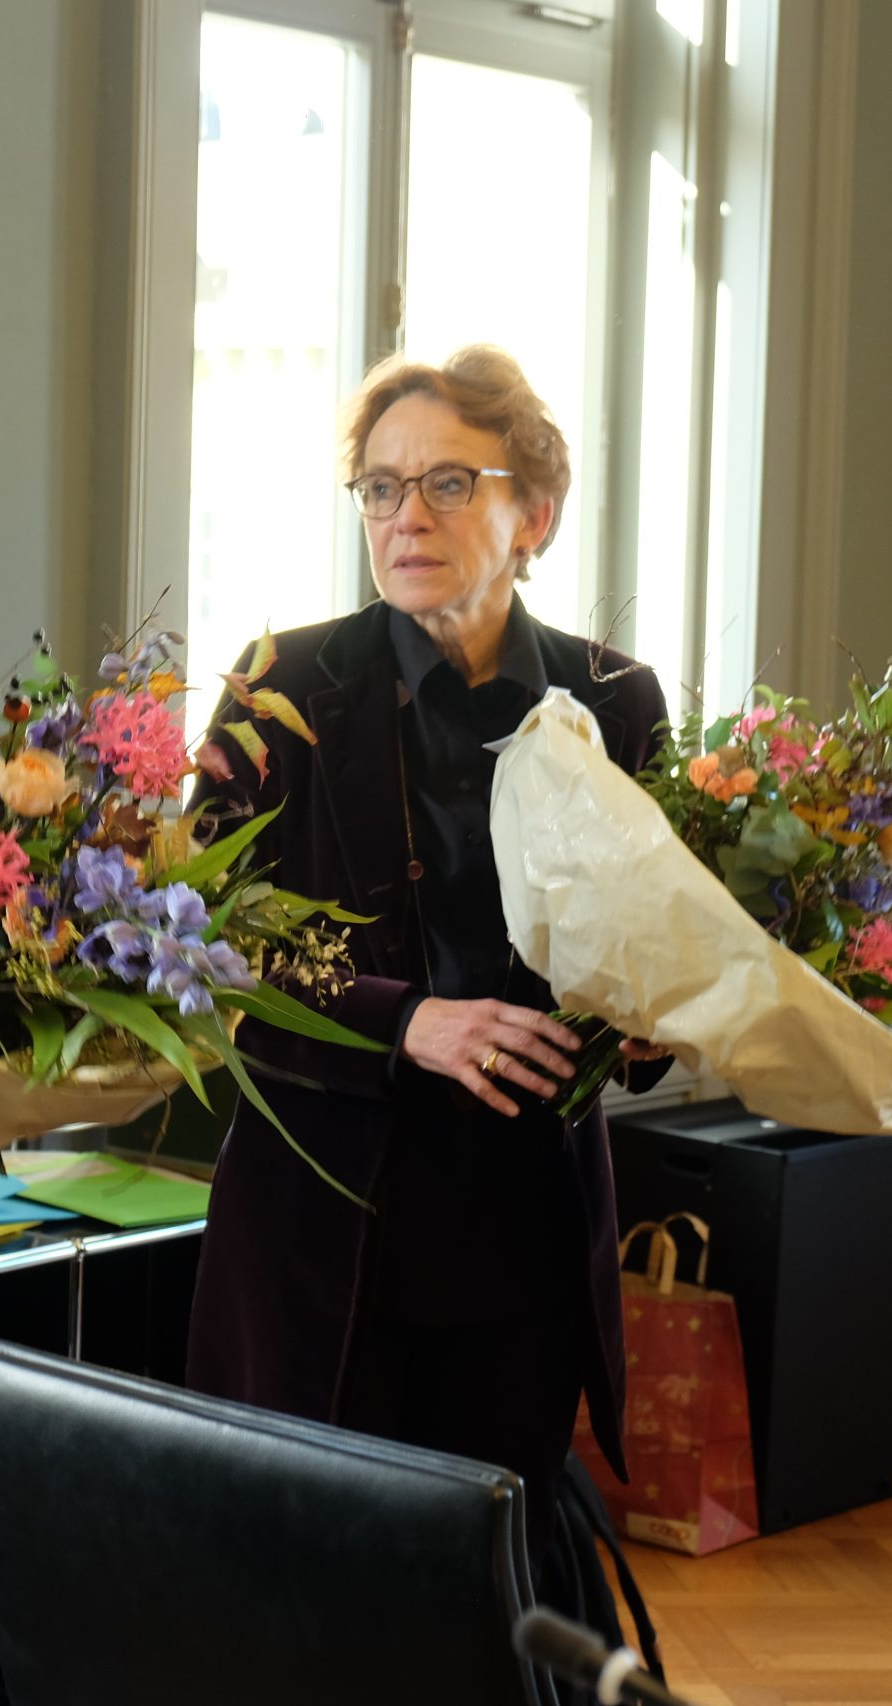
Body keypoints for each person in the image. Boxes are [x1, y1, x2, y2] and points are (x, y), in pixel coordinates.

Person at [185, 343, 672, 1540]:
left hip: (523, 1230)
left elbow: (662, 960)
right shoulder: (279, 685)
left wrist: (669, 1016)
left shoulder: (618, 700)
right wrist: (407, 1020)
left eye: (448, 483)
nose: (406, 516)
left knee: (477, 1585)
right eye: (380, 487)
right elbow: (205, 937)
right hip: (323, 1234)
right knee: (307, 1592)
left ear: (532, 512)